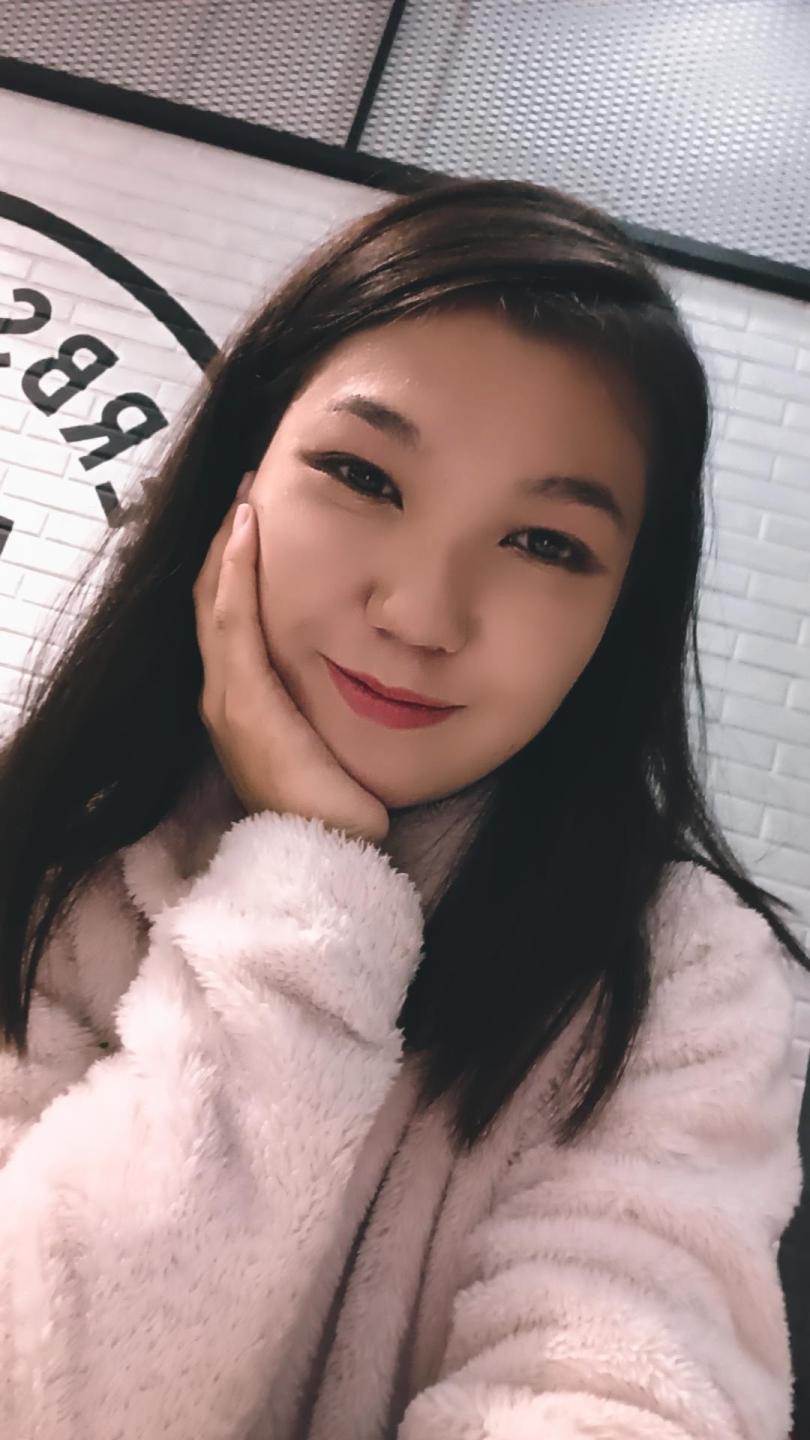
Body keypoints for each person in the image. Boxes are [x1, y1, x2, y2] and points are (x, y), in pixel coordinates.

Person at [0, 176, 806, 1440]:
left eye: (546, 544)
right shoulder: (47, 858)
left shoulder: (683, 976)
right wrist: (308, 907)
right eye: (362, 476)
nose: (423, 615)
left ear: (620, 614)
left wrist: (310, 872)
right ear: (236, 479)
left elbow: (629, 1392)